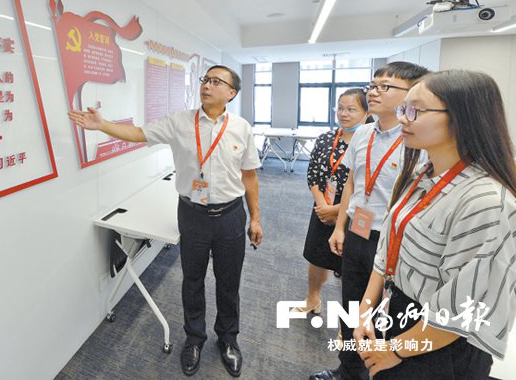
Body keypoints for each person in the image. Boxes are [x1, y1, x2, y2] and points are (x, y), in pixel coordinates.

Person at [68, 65, 261, 377]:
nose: (207, 85)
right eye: (205, 80)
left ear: (231, 93)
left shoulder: (242, 128)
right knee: (192, 280)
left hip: (230, 215)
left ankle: (228, 339)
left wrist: (256, 219)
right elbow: (138, 133)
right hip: (192, 214)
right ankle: (194, 339)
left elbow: (249, 176)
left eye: (216, 81)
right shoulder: (179, 121)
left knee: (229, 281)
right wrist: (102, 125)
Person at [353, 70, 516, 379]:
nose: (403, 118)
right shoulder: (421, 174)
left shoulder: (486, 201)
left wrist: (395, 350)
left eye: (415, 111)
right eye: (404, 108)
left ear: (462, 118)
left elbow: (462, 308)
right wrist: (365, 311)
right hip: (401, 314)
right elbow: (388, 248)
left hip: (442, 342)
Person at [310, 61, 430, 380]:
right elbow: (352, 182)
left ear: (413, 94)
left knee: (387, 315)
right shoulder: (363, 132)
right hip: (356, 233)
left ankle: (375, 372)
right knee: (352, 306)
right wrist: (340, 227)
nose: (373, 92)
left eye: (384, 87)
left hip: (393, 242)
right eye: (372, 85)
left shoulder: (417, 140)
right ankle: (348, 370)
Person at [295, 89, 370, 315]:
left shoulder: (371, 142)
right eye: (341, 108)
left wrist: (337, 210)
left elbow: (369, 187)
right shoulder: (326, 138)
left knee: (353, 266)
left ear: (367, 113)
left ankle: (349, 323)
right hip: (324, 204)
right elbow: (313, 175)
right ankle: (313, 299)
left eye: (351, 109)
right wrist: (323, 206)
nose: (344, 114)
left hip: (359, 210)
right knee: (317, 256)